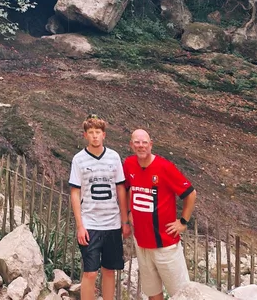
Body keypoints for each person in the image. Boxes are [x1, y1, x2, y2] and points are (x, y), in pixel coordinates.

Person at [124, 129, 197, 300]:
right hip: (142, 242)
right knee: (153, 293)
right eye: (137, 142)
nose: (140, 146)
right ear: (131, 145)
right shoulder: (128, 164)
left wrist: (183, 221)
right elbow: (126, 187)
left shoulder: (164, 167)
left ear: (150, 144)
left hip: (165, 244)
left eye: (144, 142)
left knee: (181, 294)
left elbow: (190, 193)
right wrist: (129, 211)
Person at [69, 115, 131, 300]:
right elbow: (75, 192)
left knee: (109, 270)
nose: (94, 136)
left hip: (112, 223)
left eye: (98, 132)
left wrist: (124, 221)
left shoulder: (114, 157)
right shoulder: (79, 160)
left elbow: (121, 189)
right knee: (90, 272)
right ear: (85, 135)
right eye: (91, 133)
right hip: (90, 224)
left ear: (104, 135)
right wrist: (80, 225)